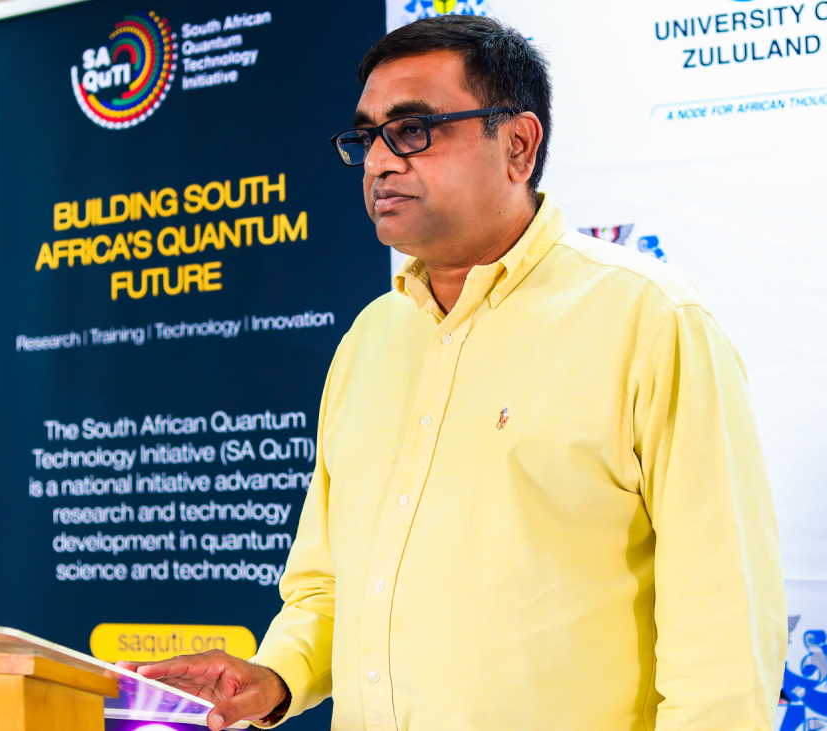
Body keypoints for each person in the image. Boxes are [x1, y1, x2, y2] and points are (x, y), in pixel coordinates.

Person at [121, 15, 787, 731]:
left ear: (518, 145)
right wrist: (277, 674)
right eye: (367, 137)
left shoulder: (650, 320)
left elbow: (723, 641)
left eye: (412, 130)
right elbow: (326, 585)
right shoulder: (370, 339)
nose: (379, 162)